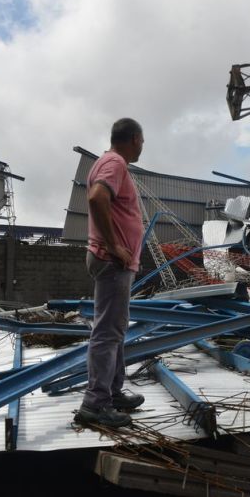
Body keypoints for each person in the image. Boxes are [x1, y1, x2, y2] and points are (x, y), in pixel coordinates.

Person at [74, 118, 146, 428]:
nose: (142, 146)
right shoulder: (114, 162)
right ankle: (95, 404)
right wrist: (115, 246)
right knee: (106, 333)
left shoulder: (110, 162)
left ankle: (113, 392)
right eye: (142, 140)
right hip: (113, 261)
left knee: (115, 331)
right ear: (132, 138)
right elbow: (97, 198)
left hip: (113, 262)